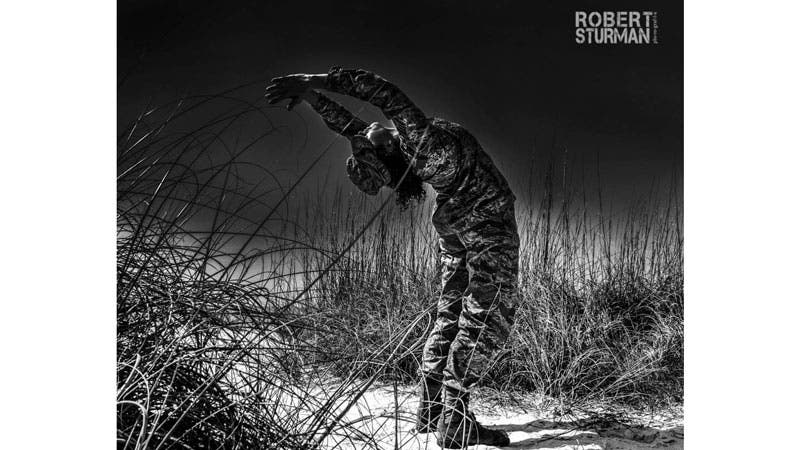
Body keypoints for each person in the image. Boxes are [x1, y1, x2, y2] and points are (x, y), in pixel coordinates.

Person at [266, 67, 519, 448]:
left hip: (452, 220)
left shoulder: (402, 154)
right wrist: (315, 81)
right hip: (484, 217)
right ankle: (454, 419)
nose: (366, 133)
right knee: (489, 312)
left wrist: (314, 99)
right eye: (369, 141)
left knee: (451, 310)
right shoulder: (419, 140)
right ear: (386, 150)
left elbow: (349, 126)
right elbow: (385, 93)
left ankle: (431, 411)